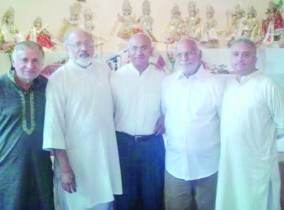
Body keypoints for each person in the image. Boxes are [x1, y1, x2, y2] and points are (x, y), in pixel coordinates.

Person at [43, 29, 122, 210]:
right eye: (77, 44)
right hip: (76, 162)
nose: (83, 48)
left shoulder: (103, 69)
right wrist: (64, 169)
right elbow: (53, 126)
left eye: (88, 44)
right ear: (67, 48)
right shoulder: (59, 78)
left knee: (104, 204)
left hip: (103, 157)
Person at [0, 41, 54, 210]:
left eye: (36, 60)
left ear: (42, 63)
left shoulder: (48, 88)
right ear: (13, 62)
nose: (30, 66)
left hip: (39, 170)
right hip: (4, 170)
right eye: (24, 60)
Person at [216, 38, 284, 210]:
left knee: (255, 202)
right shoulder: (229, 85)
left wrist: (260, 141)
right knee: (232, 200)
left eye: (246, 55)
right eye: (236, 54)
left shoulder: (267, 84)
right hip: (230, 161)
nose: (240, 59)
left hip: (256, 163)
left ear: (255, 59)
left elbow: (282, 123)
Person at [162, 38, 224, 210]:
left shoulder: (215, 84)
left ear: (199, 54)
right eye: (180, 54)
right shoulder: (167, 83)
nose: (184, 58)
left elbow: (224, 121)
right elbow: (164, 114)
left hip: (208, 164)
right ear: (174, 56)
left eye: (189, 53)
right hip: (176, 164)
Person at [110, 32, 166, 210]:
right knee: (124, 198)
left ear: (151, 51)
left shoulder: (163, 77)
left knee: (153, 197)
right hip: (123, 145)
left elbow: (174, 105)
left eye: (143, 48)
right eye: (134, 48)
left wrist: (167, 117)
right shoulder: (115, 77)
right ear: (128, 51)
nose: (138, 52)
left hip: (152, 145)